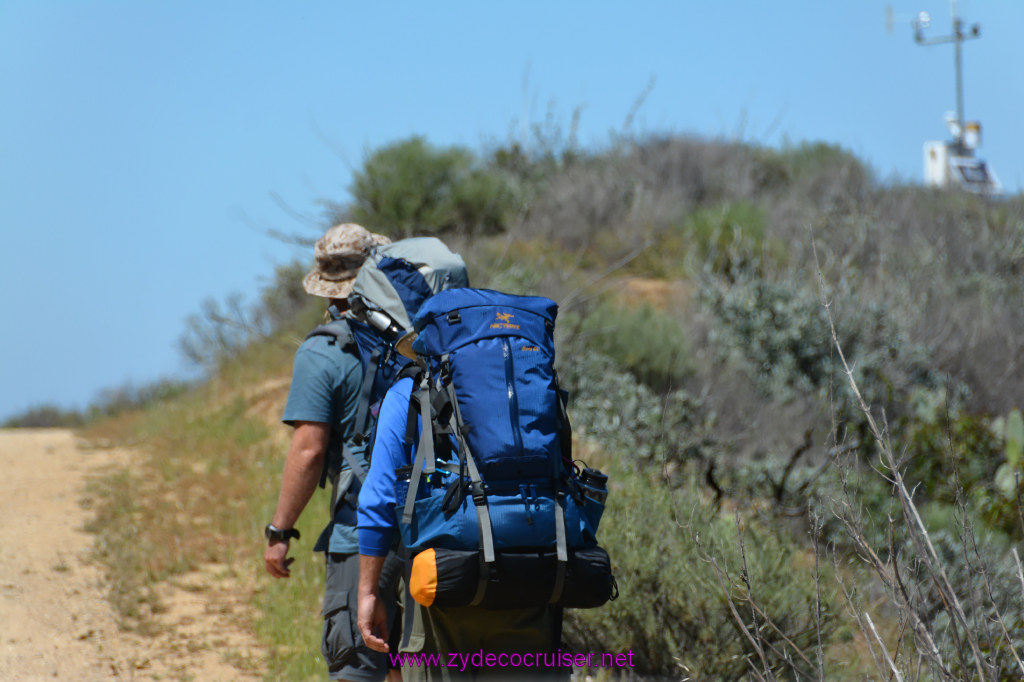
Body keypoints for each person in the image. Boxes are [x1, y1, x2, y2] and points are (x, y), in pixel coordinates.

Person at [355, 374, 567, 681]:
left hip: (440, 585)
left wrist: (368, 593)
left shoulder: (410, 391)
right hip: (530, 581)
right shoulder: (535, 382)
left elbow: (378, 502)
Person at [264, 222, 404, 682]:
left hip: (362, 536)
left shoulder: (324, 351)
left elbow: (308, 450)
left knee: (357, 666)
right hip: (439, 528)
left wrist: (279, 530)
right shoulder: (414, 339)